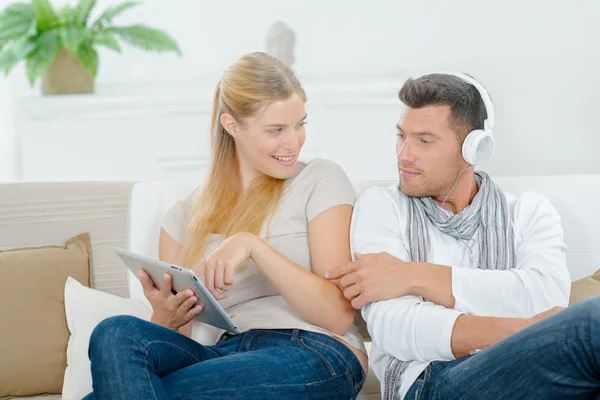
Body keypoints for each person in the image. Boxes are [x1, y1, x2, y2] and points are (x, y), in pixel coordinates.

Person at [83, 52, 366, 400]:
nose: (293, 142)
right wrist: (166, 316)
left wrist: (251, 245)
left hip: (313, 351)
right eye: (276, 130)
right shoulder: (182, 217)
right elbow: (171, 348)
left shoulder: (320, 179)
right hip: (225, 354)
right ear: (232, 125)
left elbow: (337, 316)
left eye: (300, 124)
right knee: (114, 333)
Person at [327, 72, 600, 399]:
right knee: (593, 321)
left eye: (424, 141)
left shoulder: (528, 213)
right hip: (430, 381)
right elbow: (395, 326)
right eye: (402, 136)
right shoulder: (382, 206)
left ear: (474, 149)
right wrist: (526, 328)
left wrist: (412, 274)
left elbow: (544, 296)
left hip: (524, 373)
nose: (403, 155)